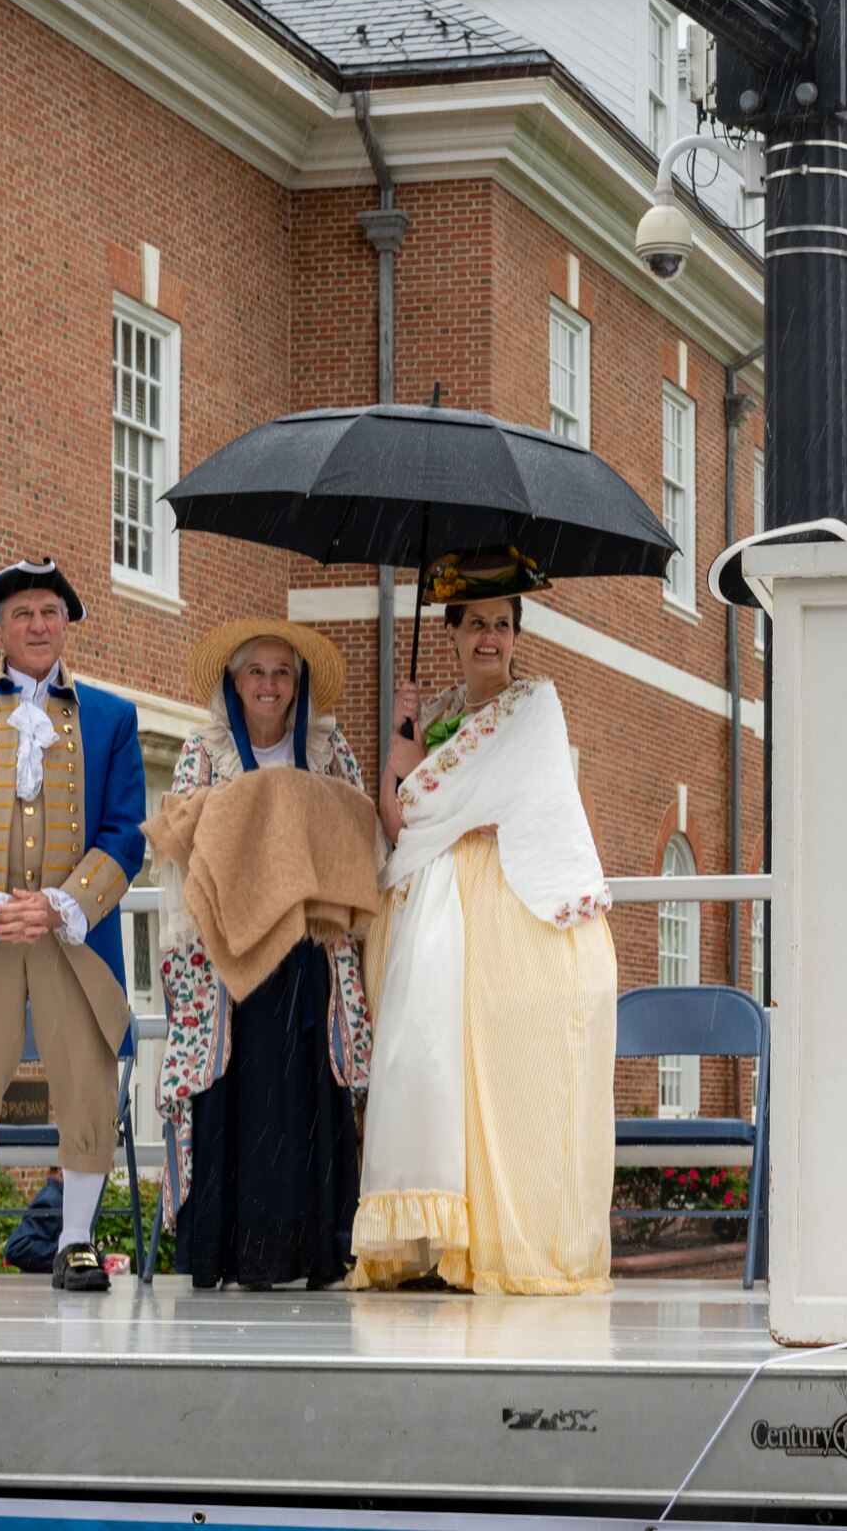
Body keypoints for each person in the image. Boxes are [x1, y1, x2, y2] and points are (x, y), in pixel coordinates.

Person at [349, 554, 617, 1294]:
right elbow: (403, 821)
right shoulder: (433, 717)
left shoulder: (535, 707)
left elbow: (494, 803)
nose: (489, 638)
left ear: (516, 635)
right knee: (438, 1069)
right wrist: (399, 749)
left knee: (504, 1075)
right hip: (436, 912)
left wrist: (437, 798)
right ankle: (441, 1237)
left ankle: (504, 1241)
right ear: (453, 633)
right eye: (475, 625)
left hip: (505, 914)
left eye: (502, 625)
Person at [0, 560, 147, 1293]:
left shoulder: (112, 716)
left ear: (67, 623)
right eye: (24, 614)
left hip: (72, 931)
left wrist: (60, 904)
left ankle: (75, 1240)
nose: (39, 625)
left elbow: (126, 833)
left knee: (84, 1078)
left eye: (51, 612)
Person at [148, 619, 377, 1290]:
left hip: (308, 957)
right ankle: (232, 1249)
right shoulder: (204, 751)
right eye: (257, 673)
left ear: (297, 685)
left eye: (282, 673)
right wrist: (251, 816)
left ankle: (309, 1248)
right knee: (237, 1100)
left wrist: (295, 819)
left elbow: (355, 837)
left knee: (303, 1104)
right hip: (233, 961)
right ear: (236, 683)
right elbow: (185, 837)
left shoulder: (329, 754)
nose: (269, 685)